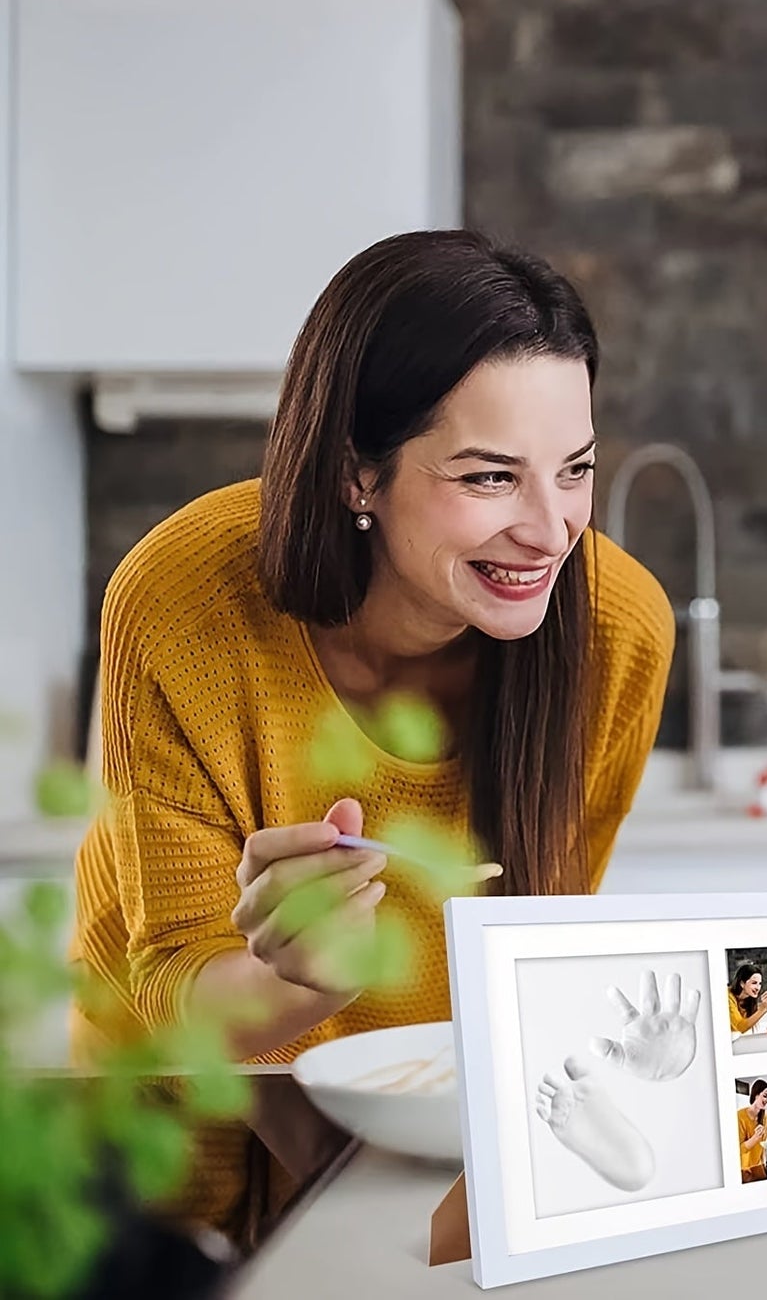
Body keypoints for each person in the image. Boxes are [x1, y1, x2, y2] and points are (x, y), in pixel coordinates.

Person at [71, 228, 674, 1065]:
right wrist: (302, 979)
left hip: (415, 1121)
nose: (550, 531)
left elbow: (529, 965)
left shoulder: (620, 629)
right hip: (172, 1124)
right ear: (358, 473)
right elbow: (170, 987)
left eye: (575, 469)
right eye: (489, 476)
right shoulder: (183, 603)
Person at [728, 965, 767, 1035]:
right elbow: (739, 1027)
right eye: (754, 983)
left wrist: (763, 1005)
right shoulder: (728, 997)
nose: (758, 988)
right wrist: (762, 1009)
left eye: (759, 983)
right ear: (742, 983)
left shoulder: (748, 1001)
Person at [738, 1079, 767, 1181]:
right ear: (756, 1094)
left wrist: (765, 1163)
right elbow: (740, 1149)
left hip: (759, 1168)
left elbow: (763, 1145)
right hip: (745, 1170)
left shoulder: (765, 1116)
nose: (766, 1100)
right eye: (765, 1096)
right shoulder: (740, 1116)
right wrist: (755, 1138)